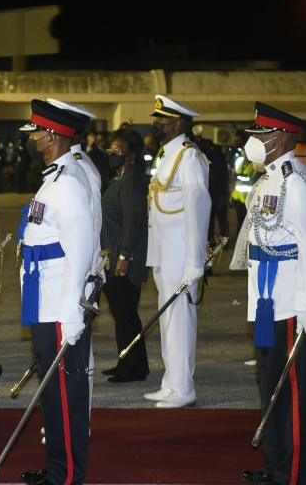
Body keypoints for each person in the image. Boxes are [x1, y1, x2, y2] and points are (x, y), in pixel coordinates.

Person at [230, 102, 306, 485]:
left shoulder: (296, 180)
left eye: (261, 135)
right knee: (271, 387)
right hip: (265, 302)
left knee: (291, 393)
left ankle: (296, 473)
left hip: (287, 302)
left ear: (281, 138)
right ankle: (275, 465)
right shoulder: (268, 178)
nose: (254, 142)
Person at [18, 99, 98, 485]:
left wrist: (71, 312)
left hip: (58, 302)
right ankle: (56, 468)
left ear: (52, 135)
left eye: (36, 132)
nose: (32, 138)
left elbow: (80, 250)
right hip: (43, 297)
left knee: (65, 395)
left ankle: (66, 477)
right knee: (52, 393)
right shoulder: (54, 176)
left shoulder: (67, 183)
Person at [145, 95, 210, 409]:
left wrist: (196, 261)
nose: (158, 124)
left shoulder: (189, 157)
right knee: (168, 318)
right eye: (158, 119)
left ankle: (184, 389)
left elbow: (199, 209)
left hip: (182, 254)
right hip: (164, 251)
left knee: (181, 319)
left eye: (163, 119)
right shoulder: (167, 154)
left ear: (180, 123)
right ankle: (171, 382)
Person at [100, 127, 151, 383]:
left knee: (125, 314)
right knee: (124, 314)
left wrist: (125, 255)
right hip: (115, 256)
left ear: (132, 155)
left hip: (125, 259)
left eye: (118, 151)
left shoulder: (132, 180)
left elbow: (134, 220)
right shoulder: (121, 176)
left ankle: (132, 368)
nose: (112, 154)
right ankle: (129, 362)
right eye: (110, 150)